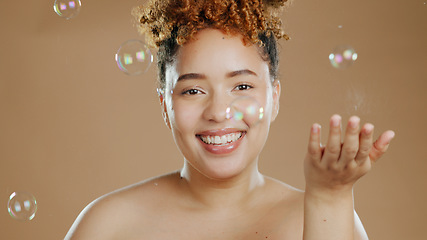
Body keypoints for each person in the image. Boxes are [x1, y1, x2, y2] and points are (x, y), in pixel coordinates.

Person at [65, 0, 395, 239]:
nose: (219, 112)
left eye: (242, 86)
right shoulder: (108, 226)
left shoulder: (328, 220)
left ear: (274, 97)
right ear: (165, 106)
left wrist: (329, 197)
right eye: (192, 91)